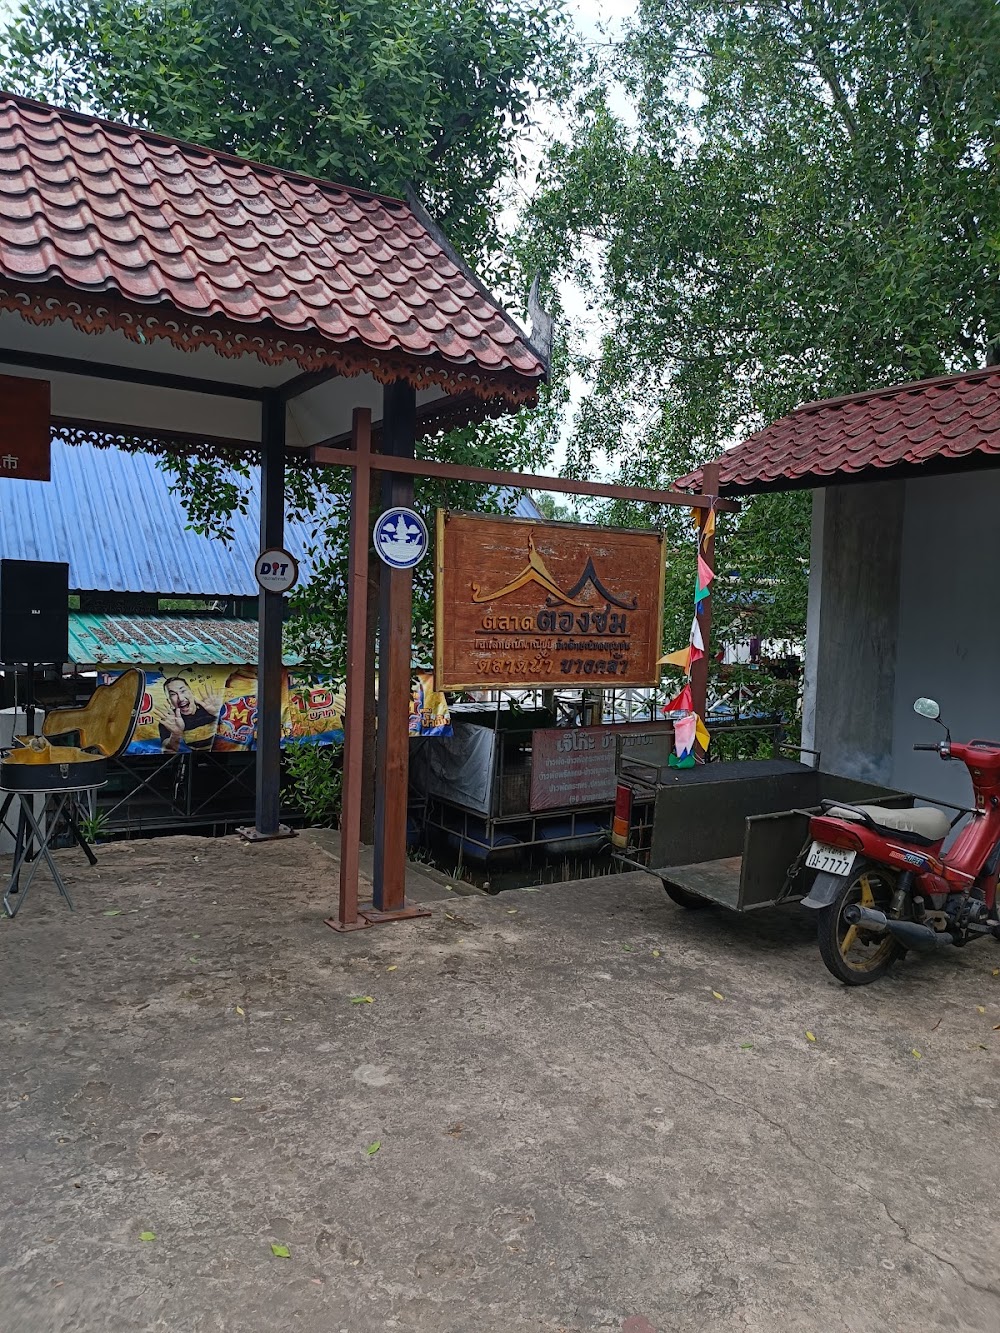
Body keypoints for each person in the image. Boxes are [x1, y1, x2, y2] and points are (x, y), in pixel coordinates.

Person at [158, 676, 218, 753]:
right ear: (169, 701)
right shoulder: (170, 721)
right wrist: (175, 734)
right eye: (173, 694)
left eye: (183, 691)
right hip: (190, 759)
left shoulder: (209, 709)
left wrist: (217, 713)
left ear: (191, 692)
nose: (181, 698)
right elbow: (167, 751)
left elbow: (233, 733)